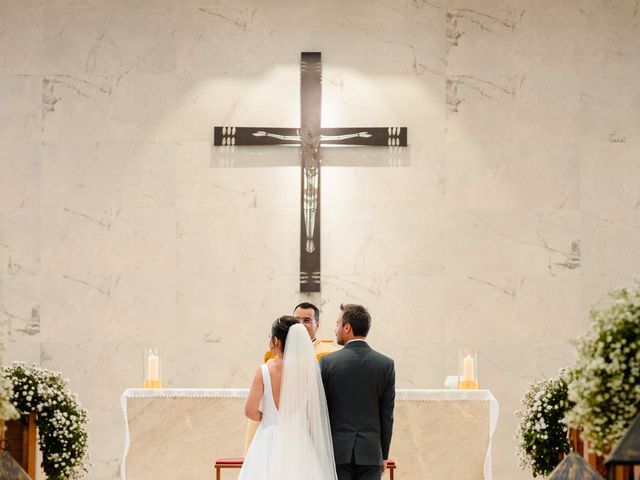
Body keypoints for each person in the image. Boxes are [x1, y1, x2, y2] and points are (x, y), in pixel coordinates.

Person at [238, 316, 338, 480]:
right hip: (299, 441)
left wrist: (267, 417)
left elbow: (250, 411)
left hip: (268, 439)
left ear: (276, 341)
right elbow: (312, 412)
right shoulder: (307, 372)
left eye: (270, 336)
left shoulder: (264, 370)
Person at [320, 304, 395, 480]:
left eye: (337, 324)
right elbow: (387, 414)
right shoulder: (385, 364)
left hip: (337, 452)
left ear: (347, 327)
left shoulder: (328, 363)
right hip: (370, 452)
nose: (335, 329)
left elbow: (321, 411)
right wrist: (383, 454)